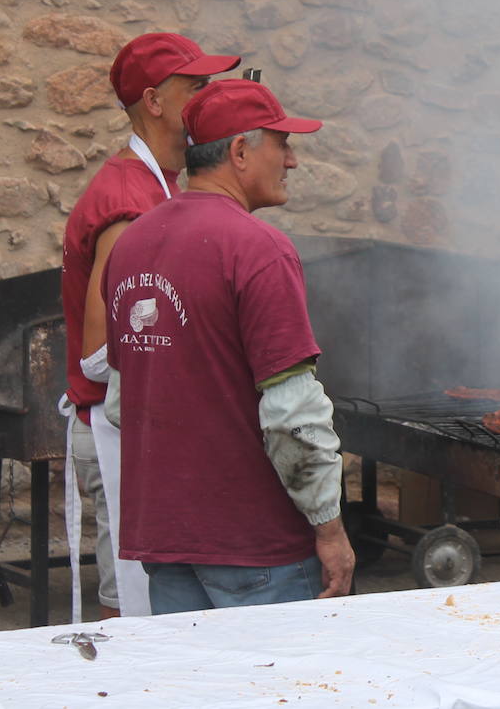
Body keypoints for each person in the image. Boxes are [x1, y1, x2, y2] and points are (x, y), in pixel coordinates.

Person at [101, 78, 355, 611]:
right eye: (282, 144)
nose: (292, 162)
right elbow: (292, 417)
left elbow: (124, 402)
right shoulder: (260, 249)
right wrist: (330, 530)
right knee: (278, 690)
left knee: (194, 691)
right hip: (257, 547)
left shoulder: (132, 244)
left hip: (165, 541)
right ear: (240, 151)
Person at [59, 32, 239, 620]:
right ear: (156, 101)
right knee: (134, 620)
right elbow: (95, 350)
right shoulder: (128, 199)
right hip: (115, 429)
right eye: (197, 87)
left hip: (140, 427)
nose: (208, 98)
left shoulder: (160, 186)